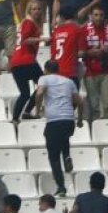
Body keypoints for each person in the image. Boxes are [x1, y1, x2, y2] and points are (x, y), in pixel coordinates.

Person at [34, 58, 80, 197]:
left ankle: (61, 187)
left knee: (53, 157)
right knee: (63, 137)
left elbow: (40, 92)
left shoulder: (44, 79)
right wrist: (81, 118)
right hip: (69, 120)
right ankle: (66, 155)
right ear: (58, 69)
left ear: (46, 70)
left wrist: (37, 109)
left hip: (54, 120)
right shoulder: (68, 81)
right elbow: (79, 100)